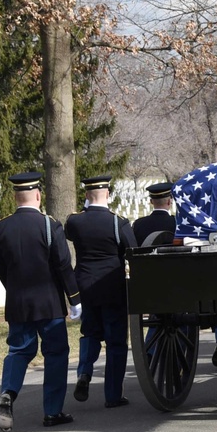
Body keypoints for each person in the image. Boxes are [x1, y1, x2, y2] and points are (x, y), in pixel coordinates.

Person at [0, 172, 82, 431]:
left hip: (18, 303)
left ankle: (8, 392)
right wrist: (74, 298)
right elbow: (64, 265)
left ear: (15, 197)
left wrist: (17, 292)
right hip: (49, 304)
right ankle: (52, 412)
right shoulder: (49, 225)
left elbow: (2, 268)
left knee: (19, 351)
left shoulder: (1, 227)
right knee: (55, 354)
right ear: (39, 195)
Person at [65, 175, 138, 408]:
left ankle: (84, 373)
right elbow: (133, 251)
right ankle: (113, 395)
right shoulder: (118, 223)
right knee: (116, 342)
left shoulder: (75, 222)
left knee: (90, 333)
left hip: (85, 285)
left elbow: (71, 234)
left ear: (87, 195)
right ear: (108, 194)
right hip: (112, 288)